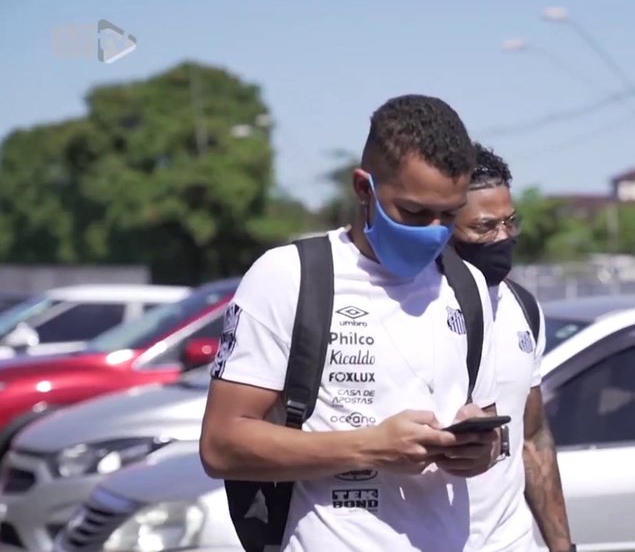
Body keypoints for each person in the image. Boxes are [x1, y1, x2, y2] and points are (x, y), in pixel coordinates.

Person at [200, 94, 501, 551]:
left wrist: (482, 448)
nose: (436, 231)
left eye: (450, 215)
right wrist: (372, 446)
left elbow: (487, 419)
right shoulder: (289, 276)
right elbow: (221, 445)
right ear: (365, 189)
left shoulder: (468, 285)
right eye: (415, 213)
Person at [451, 143, 575, 551]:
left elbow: (533, 438)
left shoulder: (523, 308)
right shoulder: (412, 310)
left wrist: (562, 546)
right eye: (485, 227)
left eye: (510, 222)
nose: (503, 237)